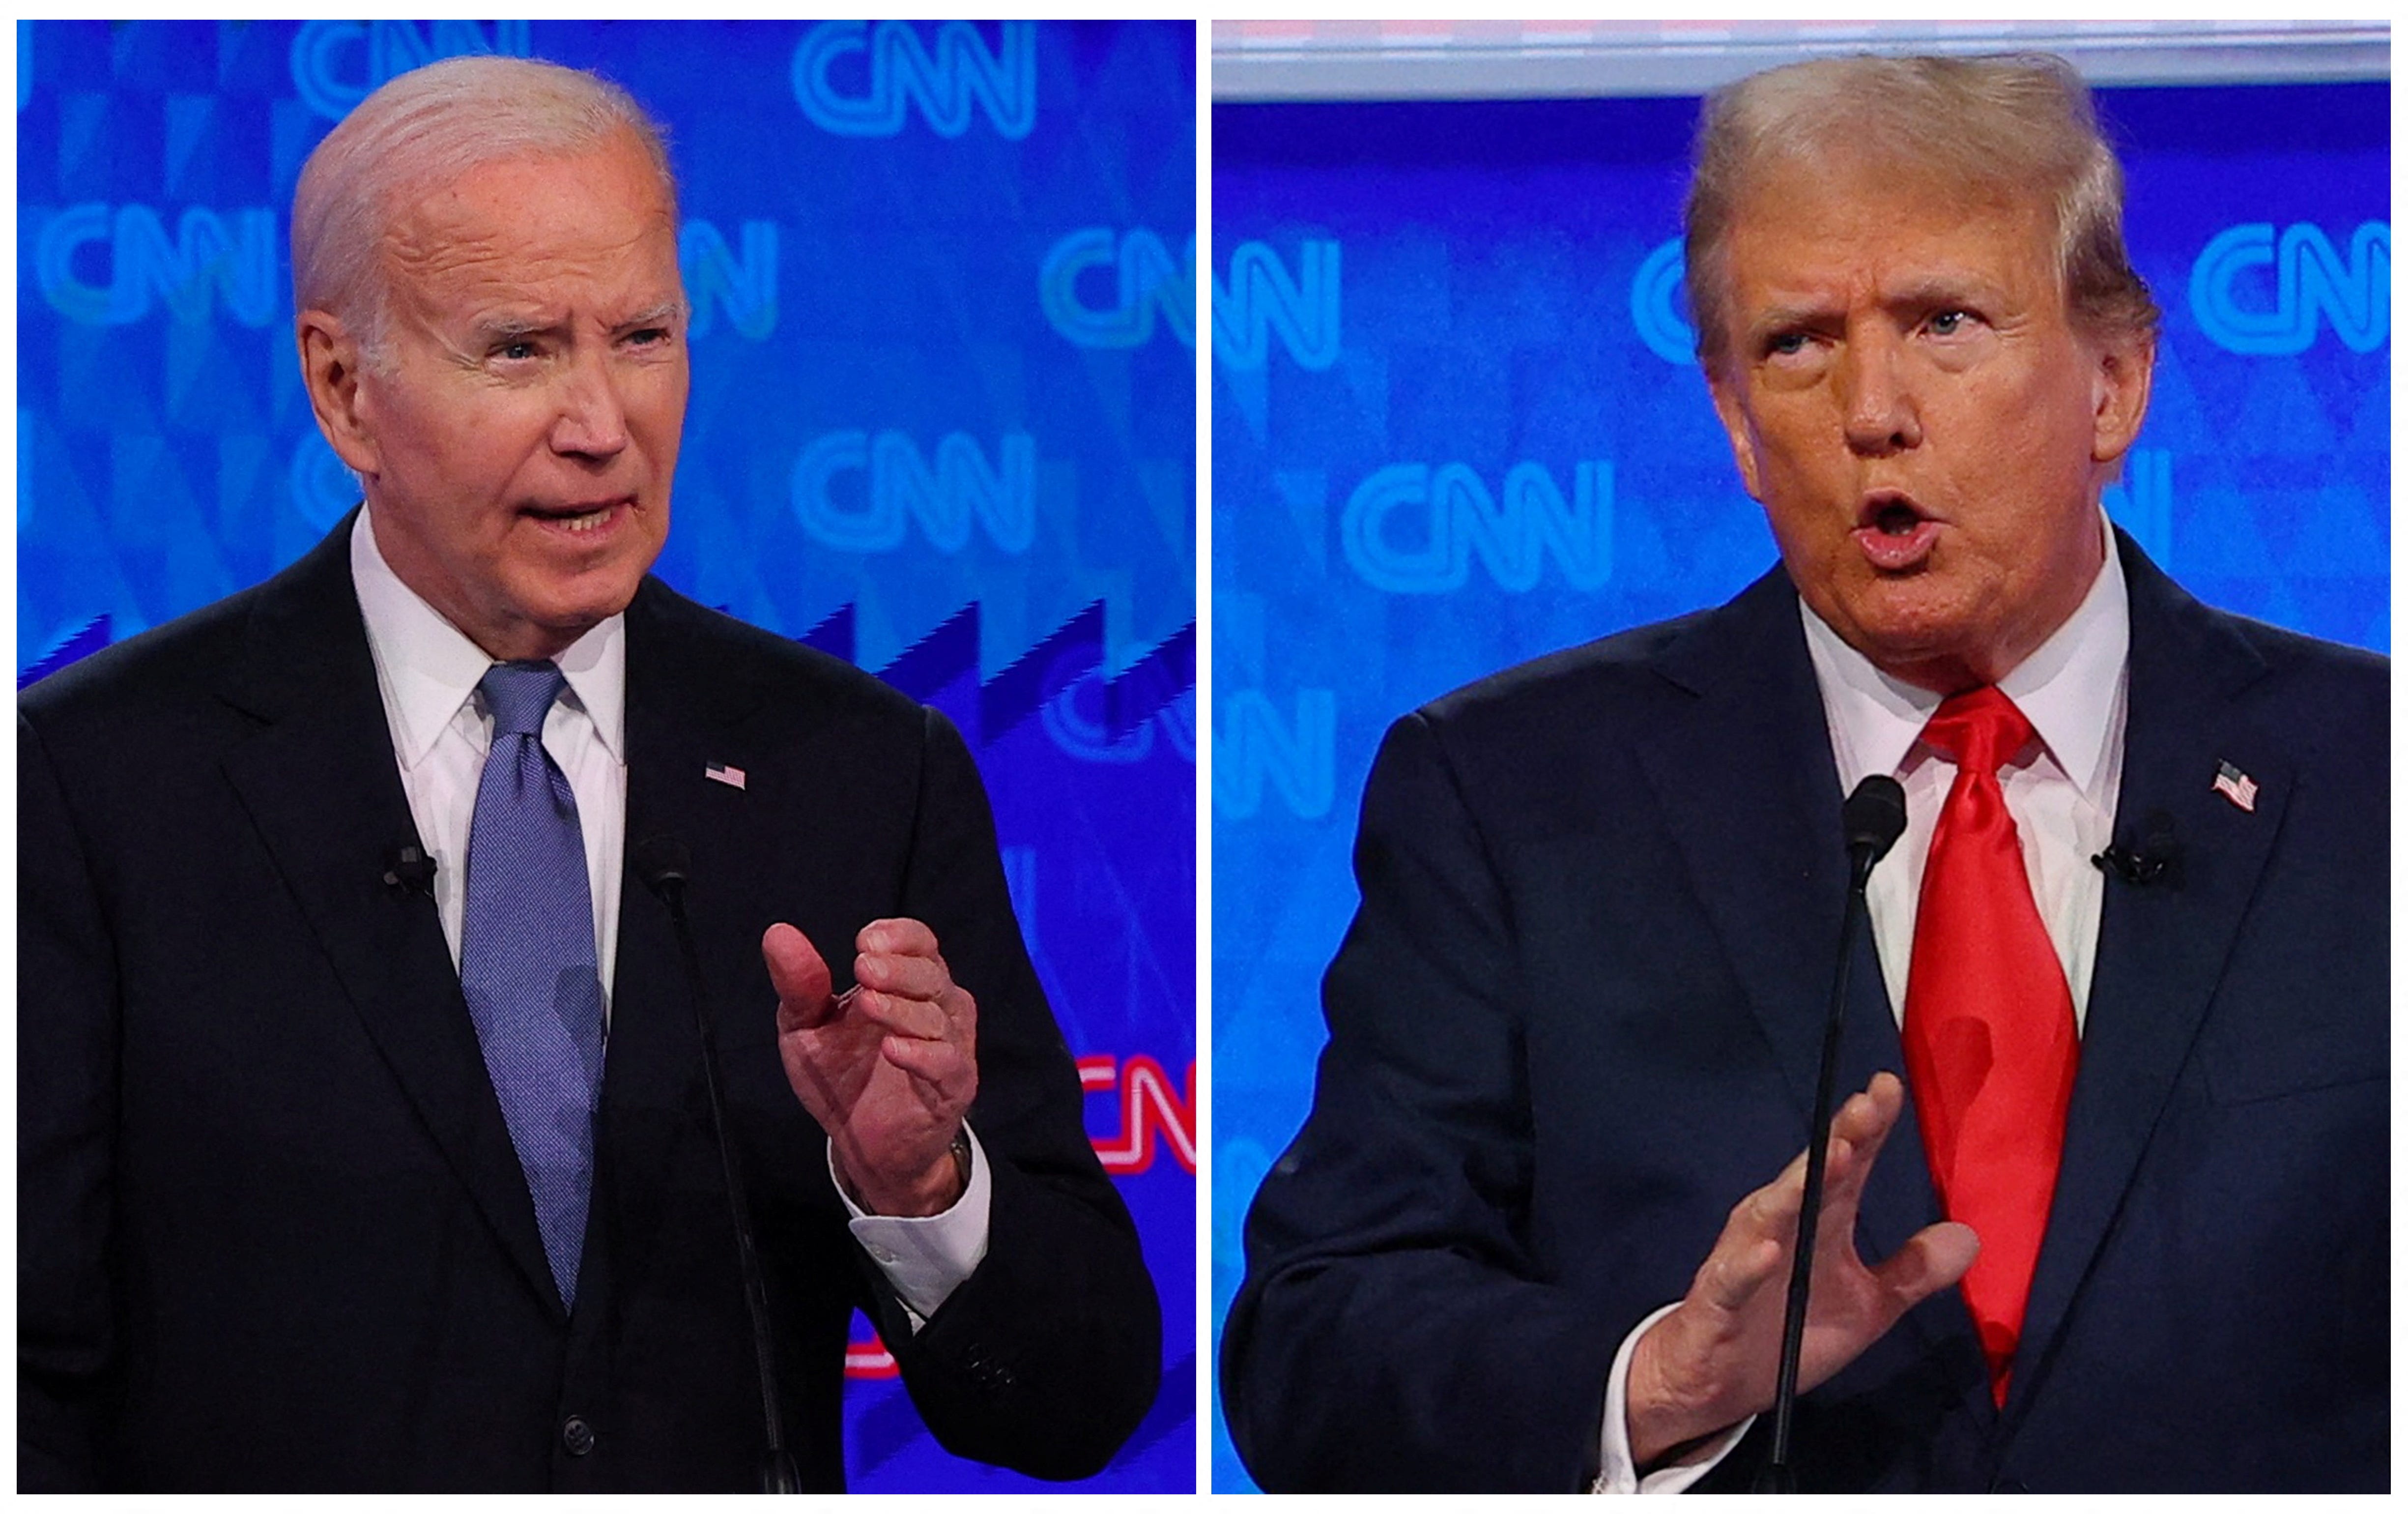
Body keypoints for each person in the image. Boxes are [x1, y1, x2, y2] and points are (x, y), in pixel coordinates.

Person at [1222, 53, 2384, 1493]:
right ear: (1732, 425)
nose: (1870, 411)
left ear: (2113, 381)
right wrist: (1657, 1380)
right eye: (1795, 345)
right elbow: (1312, 1349)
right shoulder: (1510, 797)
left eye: (1943, 322)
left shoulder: (2368, 777)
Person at [20, 56, 1158, 1492]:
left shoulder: (857, 771)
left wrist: (916, 1185)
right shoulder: (90, 785)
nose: (602, 422)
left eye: (640, 336)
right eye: (519, 351)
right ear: (341, 388)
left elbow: (1073, 1402)